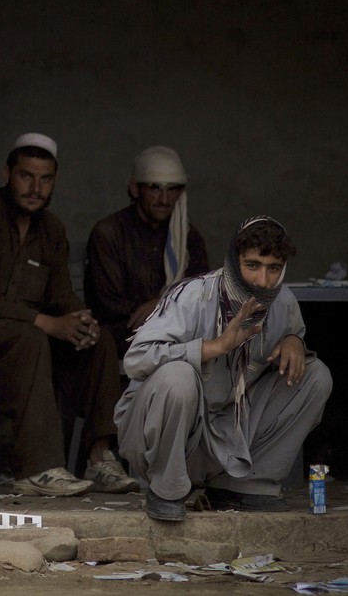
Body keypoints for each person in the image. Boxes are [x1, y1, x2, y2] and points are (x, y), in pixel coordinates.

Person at [0, 133, 138, 496]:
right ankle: (37, 469)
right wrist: (48, 323)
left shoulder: (52, 229)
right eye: (26, 176)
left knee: (99, 340)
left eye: (45, 179)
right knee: (32, 338)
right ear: (7, 173)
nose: (35, 188)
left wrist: (79, 320)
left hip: (20, 332)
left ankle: (100, 457)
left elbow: (59, 294)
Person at [116, 215, 332, 522]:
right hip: (161, 440)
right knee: (178, 376)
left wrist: (293, 340)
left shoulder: (283, 302)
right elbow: (136, 359)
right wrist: (214, 347)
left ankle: (243, 486)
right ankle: (166, 488)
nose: (263, 280)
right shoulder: (193, 296)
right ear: (233, 261)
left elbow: (291, 339)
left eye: (274, 268)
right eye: (253, 265)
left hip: (225, 439)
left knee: (316, 376)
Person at [85, 146, 210, 354]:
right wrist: (161, 312)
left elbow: (201, 292)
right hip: (123, 331)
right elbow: (108, 303)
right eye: (155, 188)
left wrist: (163, 304)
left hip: (176, 327)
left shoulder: (187, 236)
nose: (164, 199)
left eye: (172, 189)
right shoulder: (109, 233)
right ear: (135, 189)